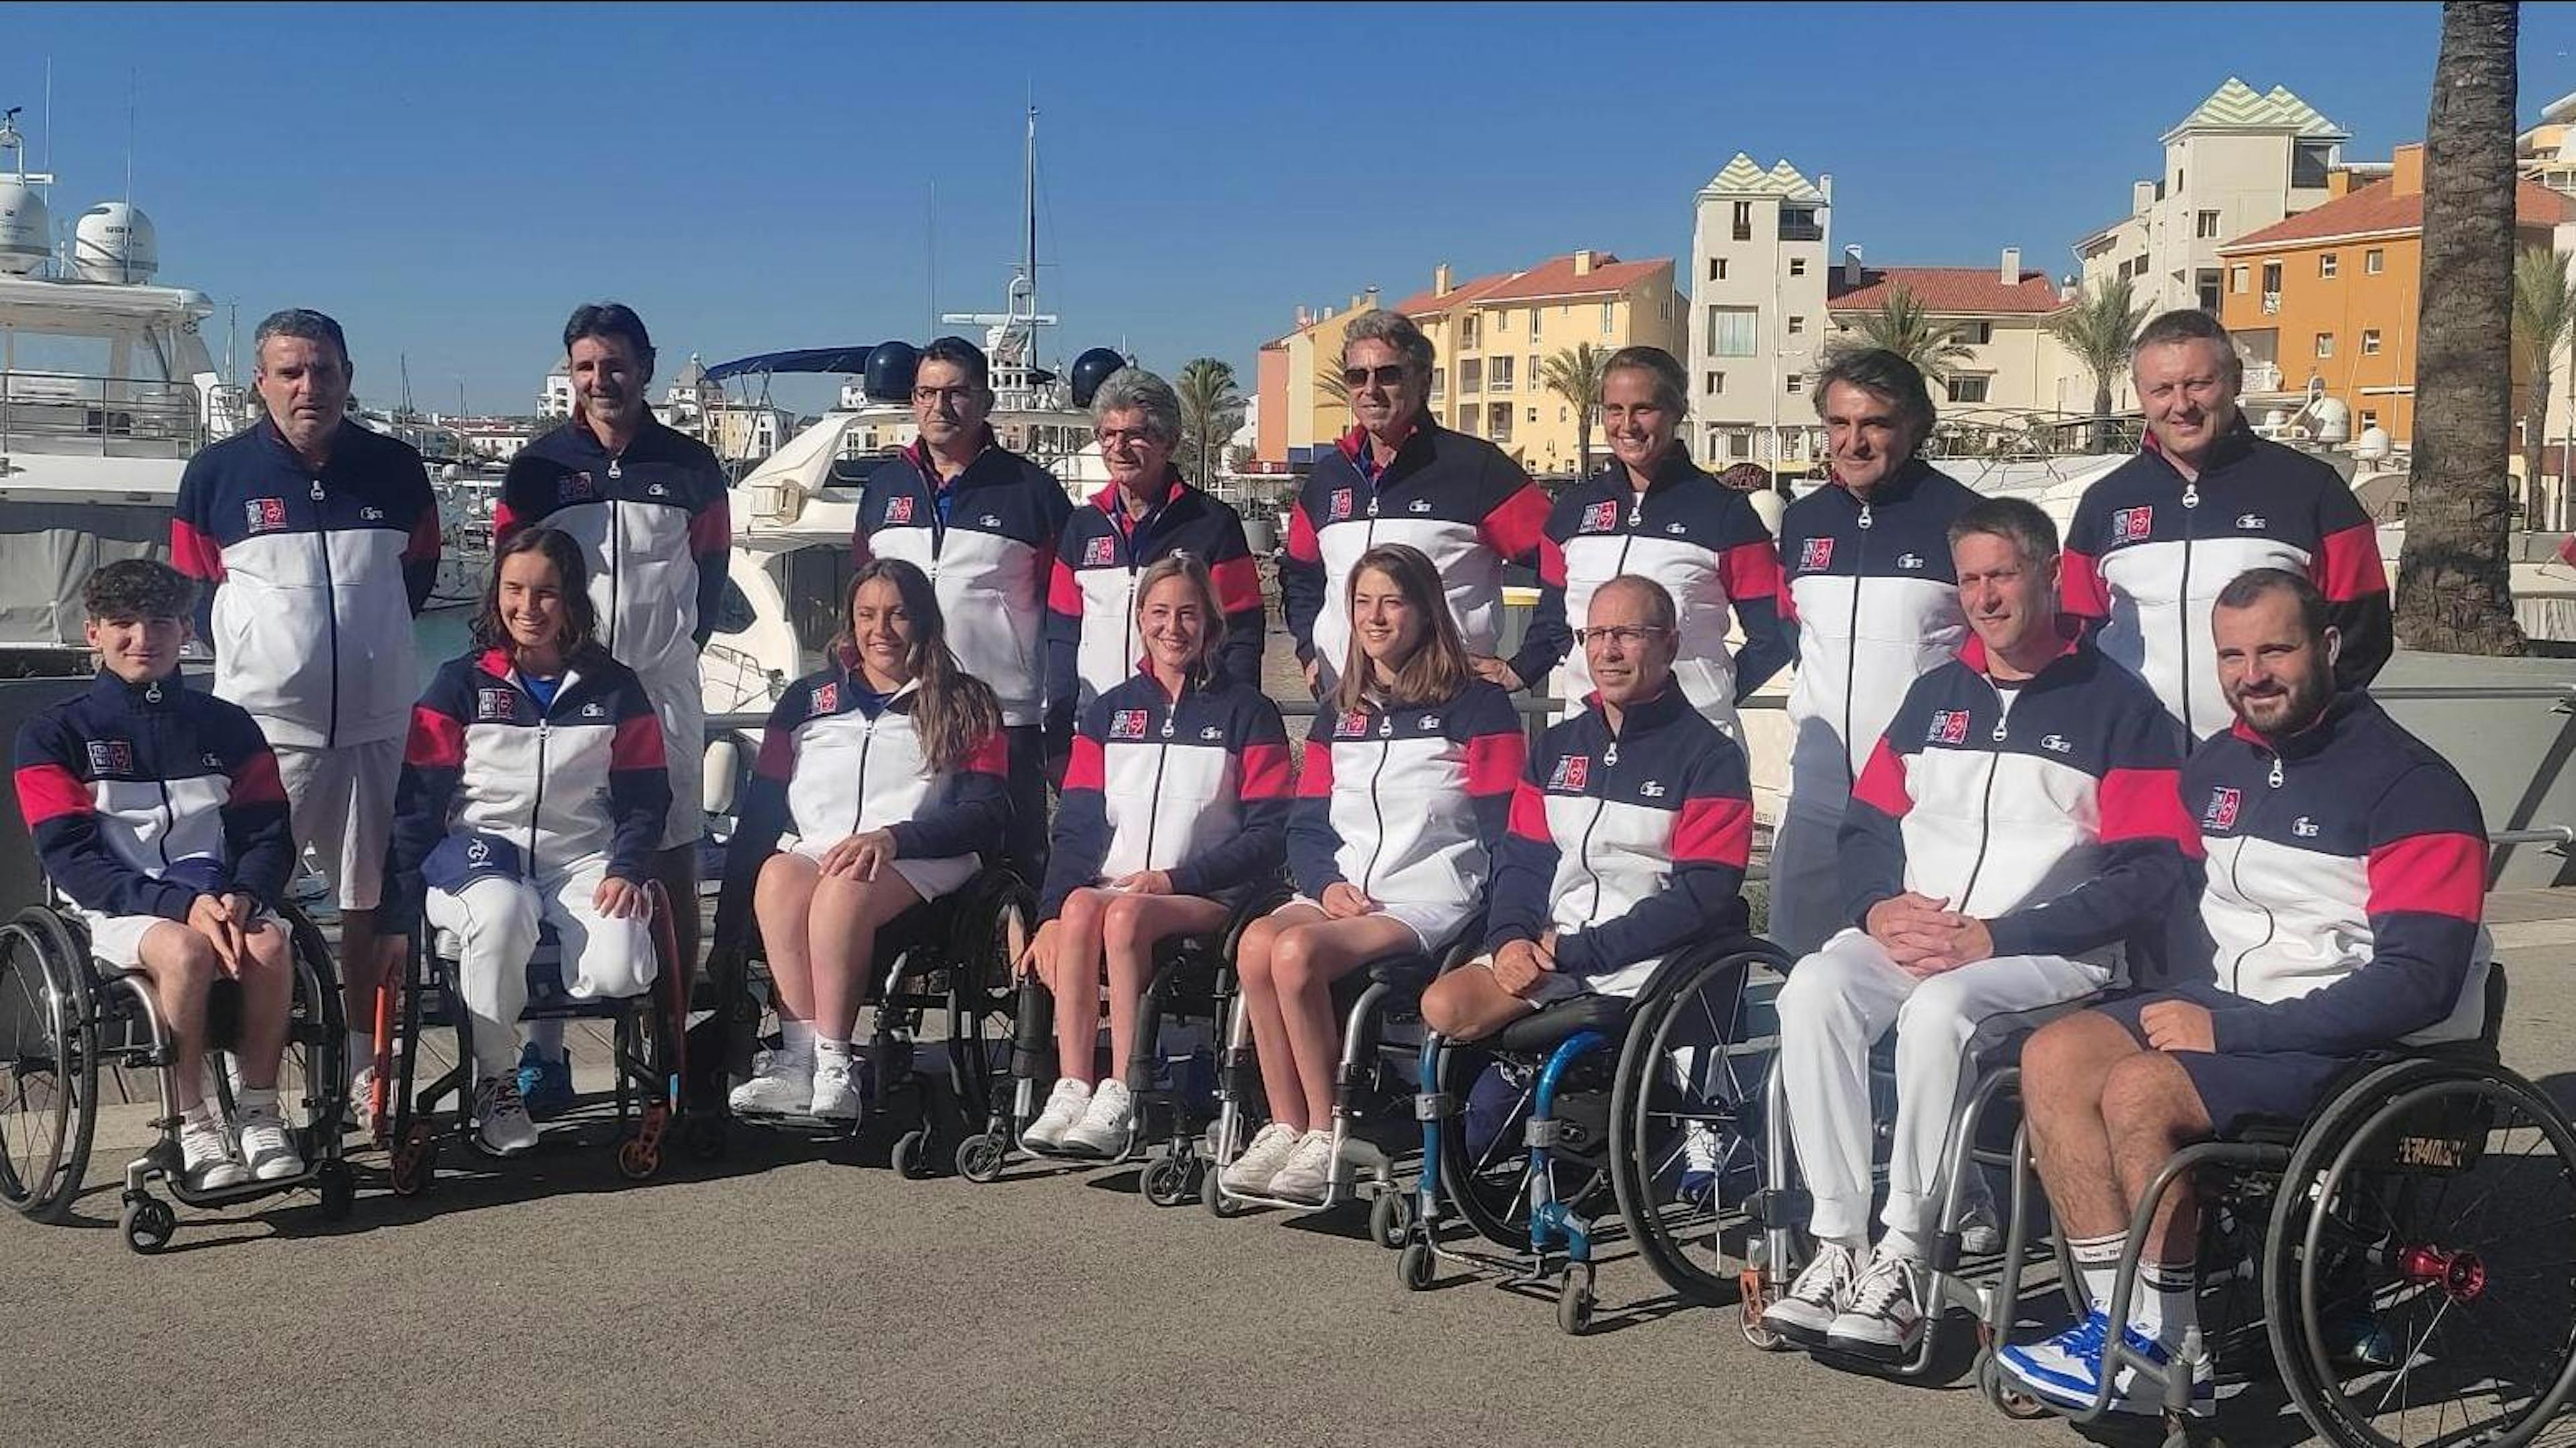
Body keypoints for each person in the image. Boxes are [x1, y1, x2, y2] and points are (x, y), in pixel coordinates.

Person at [1996, 568, 2489, 1414]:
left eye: (2276, 649)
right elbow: (2177, 895)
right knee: (2055, 1054)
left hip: (2364, 1041)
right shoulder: (2219, 765)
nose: (2251, 673)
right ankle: (2124, 1327)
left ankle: (2165, 1345)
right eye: (2232, 654)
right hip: (2240, 1003)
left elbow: (2421, 984)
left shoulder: (2414, 786)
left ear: (2328, 647)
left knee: (2141, 1088)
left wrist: (2228, 1036)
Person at [1760, 497, 2197, 1361]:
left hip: (2052, 953)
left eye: (2002, 575)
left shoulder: (2121, 708)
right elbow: (1866, 829)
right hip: (1918, 934)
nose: (1985, 597)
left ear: (2048, 574)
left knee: (1940, 1013)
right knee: (1812, 985)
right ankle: (1841, 1241)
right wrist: (1875, 907)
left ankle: (1909, 1252)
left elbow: (2152, 870)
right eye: (1969, 579)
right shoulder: (1935, 696)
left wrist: (2000, 935)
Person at [171, 307, 440, 1107]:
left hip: (378, 723)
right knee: (244, 905)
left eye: (323, 370)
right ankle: (239, 1078)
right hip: (264, 734)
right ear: (261, 383)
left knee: (371, 901)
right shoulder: (217, 475)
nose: (308, 386)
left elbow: (417, 578)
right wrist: (273, 656)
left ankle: (365, 1063)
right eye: (290, 371)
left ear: (348, 377)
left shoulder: (396, 469)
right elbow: (194, 591)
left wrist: (366, 651)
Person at [1222, 543, 1525, 1202]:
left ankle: (1330, 1130)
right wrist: (1326, 882)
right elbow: (1306, 824)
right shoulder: (1340, 710)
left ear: (1423, 610)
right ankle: (1286, 1123)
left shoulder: (1478, 707)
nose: (1375, 616)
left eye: (1392, 600)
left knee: (1297, 951)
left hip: (1430, 898)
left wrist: (1507, 925)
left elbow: (1509, 831)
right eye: (1363, 602)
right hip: (1346, 892)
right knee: (1255, 945)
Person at [497, 302, 730, 1113]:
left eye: (617, 363)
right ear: (571, 371)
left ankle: (670, 1038)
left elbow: (712, 575)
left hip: (662, 688)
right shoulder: (535, 469)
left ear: (647, 365)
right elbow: (510, 577)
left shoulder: (693, 466)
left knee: (670, 860)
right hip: (565, 692)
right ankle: (545, 1049)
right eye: (588, 365)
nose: (603, 379)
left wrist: (664, 649)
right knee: (562, 860)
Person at [13, 560, 303, 1189]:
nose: (143, 638)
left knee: (271, 943)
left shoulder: (228, 724)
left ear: (185, 631)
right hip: (116, 902)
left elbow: (267, 830)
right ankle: (190, 1122)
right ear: (93, 633)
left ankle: (259, 1114)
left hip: (219, 891)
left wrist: (247, 895)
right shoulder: (52, 734)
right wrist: (175, 904)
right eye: (122, 624)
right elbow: (69, 855)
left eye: (161, 623)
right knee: (184, 949)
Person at [381, 527, 669, 1156]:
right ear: (496, 597)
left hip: (582, 859)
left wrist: (627, 867)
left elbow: (647, 796)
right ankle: (495, 1080)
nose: (528, 608)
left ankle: (551, 1025)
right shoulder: (457, 685)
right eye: (514, 591)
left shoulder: (616, 688)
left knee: (620, 971)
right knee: (504, 913)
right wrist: (397, 915)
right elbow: (418, 804)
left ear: (572, 601)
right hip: (478, 856)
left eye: (546, 593)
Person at [714, 559, 1011, 1122]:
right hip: (826, 850)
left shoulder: (967, 701)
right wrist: (729, 932)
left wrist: (896, 838)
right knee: (777, 875)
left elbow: (987, 812)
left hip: (925, 855)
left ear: (924, 621)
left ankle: (835, 1062)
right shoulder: (807, 700)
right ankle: (797, 1061)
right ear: (849, 623)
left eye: (898, 615)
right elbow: (761, 814)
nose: (882, 630)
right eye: (868, 615)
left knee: (843, 889)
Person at [1019, 555, 1292, 1157]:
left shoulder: (1249, 713)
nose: (1174, 628)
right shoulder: (1109, 712)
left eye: (1190, 614)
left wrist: (1175, 879)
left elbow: (1270, 834)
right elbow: (1078, 829)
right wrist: (1047, 919)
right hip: (1120, 893)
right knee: (1083, 909)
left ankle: (1124, 1087)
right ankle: (1072, 1085)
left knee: (1115, 913)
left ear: (1212, 625)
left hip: (1206, 896)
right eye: (1161, 613)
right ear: (1140, 619)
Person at [1419, 576, 1754, 1040]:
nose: (1608, 651)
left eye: (1628, 635)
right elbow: (1522, 862)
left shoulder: (1710, 758)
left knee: (1504, 1095)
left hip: (1648, 965)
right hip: (1550, 953)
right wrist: (1511, 938)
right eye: (1595, 635)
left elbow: (1703, 896)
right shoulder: (1556, 747)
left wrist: (1580, 950)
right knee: (1443, 1006)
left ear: (1670, 645)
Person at [2060, 309, 2392, 739]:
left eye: (2199, 384)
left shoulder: (2312, 491)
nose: (2181, 406)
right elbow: (2077, 632)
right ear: (2140, 394)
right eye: (2162, 389)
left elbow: (2363, 634)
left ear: (2233, 379)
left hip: (2269, 764)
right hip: (2136, 762)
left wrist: (2294, 733)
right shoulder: (2104, 503)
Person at [1766, 350, 1980, 956]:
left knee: (1913, 971)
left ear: (1913, 428)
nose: (1853, 442)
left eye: (1875, 424)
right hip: (1815, 792)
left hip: (1920, 796)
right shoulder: (1803, 522)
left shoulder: (1963, 518)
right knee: (1796, 970)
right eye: (1839, 423)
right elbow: (1794, 631)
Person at [852, 335, 1073, 884]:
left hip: (1005, 712)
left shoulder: (1032, 491)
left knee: (1019, 863)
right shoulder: (883, 487)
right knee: (916, 854)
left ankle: (1027, 970)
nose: (939, 407)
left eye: (955, 393)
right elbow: (863, 595)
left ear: (984, 401)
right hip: (910, 710)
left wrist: (1057, 706)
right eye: (926, 393)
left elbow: (1067, 610)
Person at [1279, 309, 1551, 698]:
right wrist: (1309, 652)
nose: (1369, 389)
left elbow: (1566, 565)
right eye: (1357, 376)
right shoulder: (1328, 479)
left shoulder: (1476, 469)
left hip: (1446, 709)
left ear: (1423, 381)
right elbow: (1300, 575)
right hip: (1347, 707)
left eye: (1387, 375)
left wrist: (1526, 666)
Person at [1525, 345, 1790, 738]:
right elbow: (1552, 623)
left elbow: (1776, 633)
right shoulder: (1572, 513)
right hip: (1588, 735)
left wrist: (1715, 695)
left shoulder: (1725, 515)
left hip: (1691, 742)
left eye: (1643, 409)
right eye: (1614, 410)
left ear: (1676, 412)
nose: (1627, 425)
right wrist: (1515, 672)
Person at [1046, 365, 1263, 715]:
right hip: (1095, 727)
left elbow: (1241, 635)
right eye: (1108, 434)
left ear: (1169, 441)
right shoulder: (1082, 527)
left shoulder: (1212, 524)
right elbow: (1062, 637)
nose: (1119, 448)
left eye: (1135, 435)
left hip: (1187, 725)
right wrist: (1058, 730)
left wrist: (1236, 721)